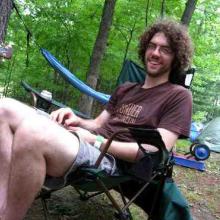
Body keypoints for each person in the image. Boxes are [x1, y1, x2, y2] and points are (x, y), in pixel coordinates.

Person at [0, 19, 193, 219]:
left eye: (165, 50)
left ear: (176, 57)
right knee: (4, 108)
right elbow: (98, 124)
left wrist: (96, 141)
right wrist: (77, 120)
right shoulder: (126, 89)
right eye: (152, 46)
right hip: (86, 141)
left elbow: (152, 152)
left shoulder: (178, 96)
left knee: (32, 131)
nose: (155, 53)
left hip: (110, 161)